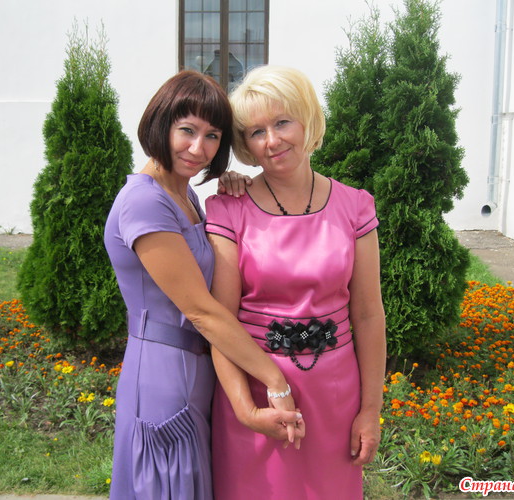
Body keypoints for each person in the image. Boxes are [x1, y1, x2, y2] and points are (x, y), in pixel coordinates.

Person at [103, 70, 304, 500]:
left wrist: (232, 186)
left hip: (194, 373)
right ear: (161, 125)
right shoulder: (144, 201)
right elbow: (201, 310)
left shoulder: (183, 194)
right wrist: (275, 380)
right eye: (187, 131)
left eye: (212, 135)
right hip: (162, 380)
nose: (199, 148)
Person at [206, 65, 387, 499]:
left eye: (282, 122)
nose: (272, 141)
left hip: (335, 398)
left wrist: (370, 410)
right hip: (257, 394)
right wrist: (245, 410)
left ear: (307, 119)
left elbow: (368, 314)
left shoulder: (356, 207)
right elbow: (220, 323)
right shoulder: (228, 209)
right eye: (256, 132)